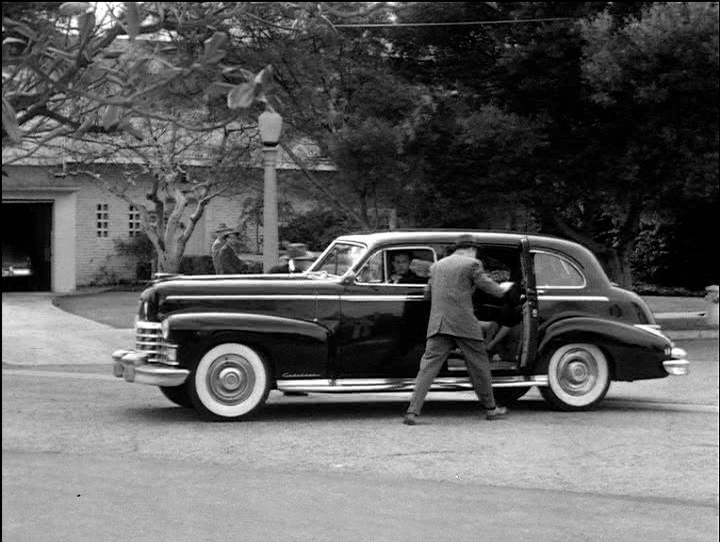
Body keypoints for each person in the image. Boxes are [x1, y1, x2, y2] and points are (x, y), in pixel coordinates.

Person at [403, 235, 513, 425]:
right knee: (479, 365)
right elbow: (488, 287)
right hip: (464, 324)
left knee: (427, 369)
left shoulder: (436, 266)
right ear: (472, 249)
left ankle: (412, 411)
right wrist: (503, 289)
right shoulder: (472, 263)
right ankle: (491, 409)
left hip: (438, 323)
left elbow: (427, 295)